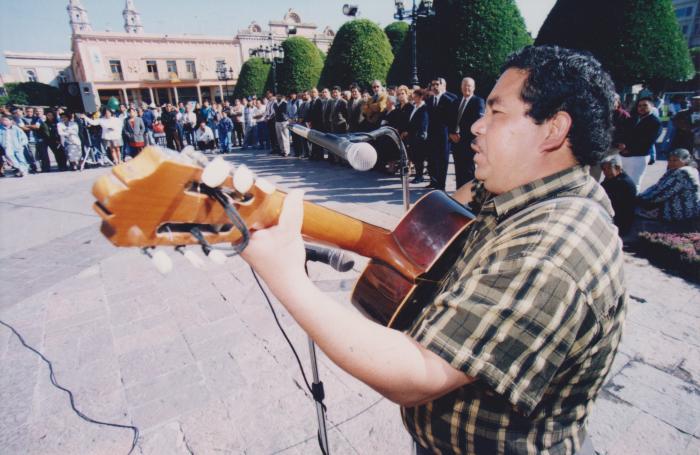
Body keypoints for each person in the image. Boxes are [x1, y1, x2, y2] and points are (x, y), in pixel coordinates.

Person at [240, 45, 626, 455]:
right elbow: (429, 225)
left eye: (496, 113)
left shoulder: (556, 246)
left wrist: (287, 278)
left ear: (554, 130)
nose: (478, 126)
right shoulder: (511, 189)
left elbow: (420, 371)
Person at [637, 148, 700, 229]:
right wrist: (642, 195)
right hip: (676, 207)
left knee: (637, 211)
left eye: (675, 160)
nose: (671, 163)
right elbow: (657, 186)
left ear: (685, 161)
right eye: (670, 160)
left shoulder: (683, 172)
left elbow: (663, 193)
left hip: (683, 212)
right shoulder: (675, 170)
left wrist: (641, 199)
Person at [449, 77, 485, 188]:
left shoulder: (478, 101)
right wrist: (451, 133)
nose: (466, 88)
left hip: (468, 142)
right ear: (461, 87)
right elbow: (450, 119)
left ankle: (470, 197)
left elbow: (477, 122)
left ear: (473, 88)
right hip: (456, 142)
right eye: (464, 85)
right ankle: (459, 194)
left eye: (469, 85)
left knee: (469, 171)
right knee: (458, 170)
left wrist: (462, 135)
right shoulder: (456, 101)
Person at [621, 97, 661, 190]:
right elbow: (625, 133)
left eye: (645, 105)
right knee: (624, 182)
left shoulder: (655, 122)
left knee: (634, 183)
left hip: (638, 156)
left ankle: (632, 203)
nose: (642, 108)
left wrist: (629, 149)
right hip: (624, 155)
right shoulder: (633, 119)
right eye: (639, 106)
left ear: (652, 106)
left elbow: (648, 141)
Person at [427, 77, 457, 190]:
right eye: (433, 85)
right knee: (433, 158)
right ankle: (434, 181)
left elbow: (453, 118)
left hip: (444, 134)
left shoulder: (449, 100)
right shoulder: (430, 100)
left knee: (443, 159)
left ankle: (441, 185)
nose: (435, 87)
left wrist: (452, 132)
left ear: (442, 85)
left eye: (437, 84)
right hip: (432, 134)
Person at [600, 154, 637, 235]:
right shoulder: (613, 178)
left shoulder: (623, 182)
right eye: (604, 169)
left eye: (609, 168)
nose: (605, 172)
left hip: (620, 224)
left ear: (618, 168)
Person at [405, 88, 430, 183]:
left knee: (419, 158)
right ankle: (418, 175)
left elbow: (423, 124)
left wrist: (417, 134)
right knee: (415, 157)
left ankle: (419, 176)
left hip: (419, 137)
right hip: (412, 136)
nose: (413, 97)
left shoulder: (424, 108)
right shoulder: (414, 107)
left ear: (421, 97)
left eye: (415, 96)